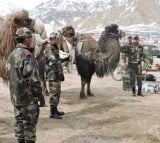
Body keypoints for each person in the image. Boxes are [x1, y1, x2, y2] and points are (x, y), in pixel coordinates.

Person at [6, 27, 45, 143]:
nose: (31, 39)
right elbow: (33, 80)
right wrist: (40, 96)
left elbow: (9, 75)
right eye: (30, 37)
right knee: (29, 128)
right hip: (28, 99)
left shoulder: (11, 55)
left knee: (19, 124)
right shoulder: (26, 55)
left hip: (16, 98)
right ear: (25, 39)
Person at [44, 32, 65, 119]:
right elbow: (53, 62)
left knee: (57, 92)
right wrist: (60, 72)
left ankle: (55, 110)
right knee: (54, 93)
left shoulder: (54, 48)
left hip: (56, 74)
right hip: (53, 75)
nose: (58, 40)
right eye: (56, 39)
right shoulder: (50, 49)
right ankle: (52, 113)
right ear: (52, 39)